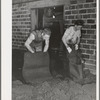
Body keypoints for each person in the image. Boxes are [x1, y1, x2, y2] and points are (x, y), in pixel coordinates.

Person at [62, 20, 85, 84]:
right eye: (79, 27)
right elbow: (63, 39)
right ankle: (74, 76)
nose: (79, 29)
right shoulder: (69, 30)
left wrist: (77, 44)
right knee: (71, 60)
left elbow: (78, 38)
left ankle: (80, 76)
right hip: (67, 45)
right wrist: (67, 47)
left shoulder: (79, 30)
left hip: (74, 45)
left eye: (81, 27)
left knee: (78, 59)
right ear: (75, 25)